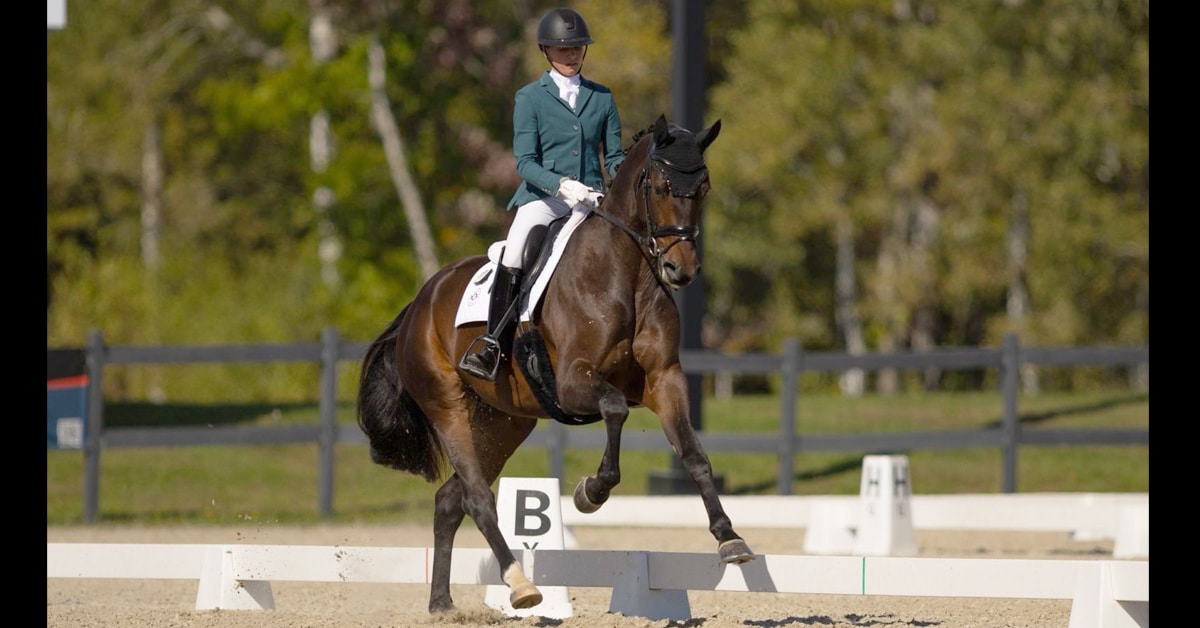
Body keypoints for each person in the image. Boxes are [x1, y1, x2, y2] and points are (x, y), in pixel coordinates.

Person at [460, 7, 625, 381]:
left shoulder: (602, 98)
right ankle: (492, 344)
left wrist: (626, 178)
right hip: (544, 199)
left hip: (592, 199)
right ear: (546, 51)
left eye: (577, 48)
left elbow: (613, 158)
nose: (571, 55)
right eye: (562, 49)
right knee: (516, 250)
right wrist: (560, 184)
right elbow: (525, 162)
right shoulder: (530, 98)